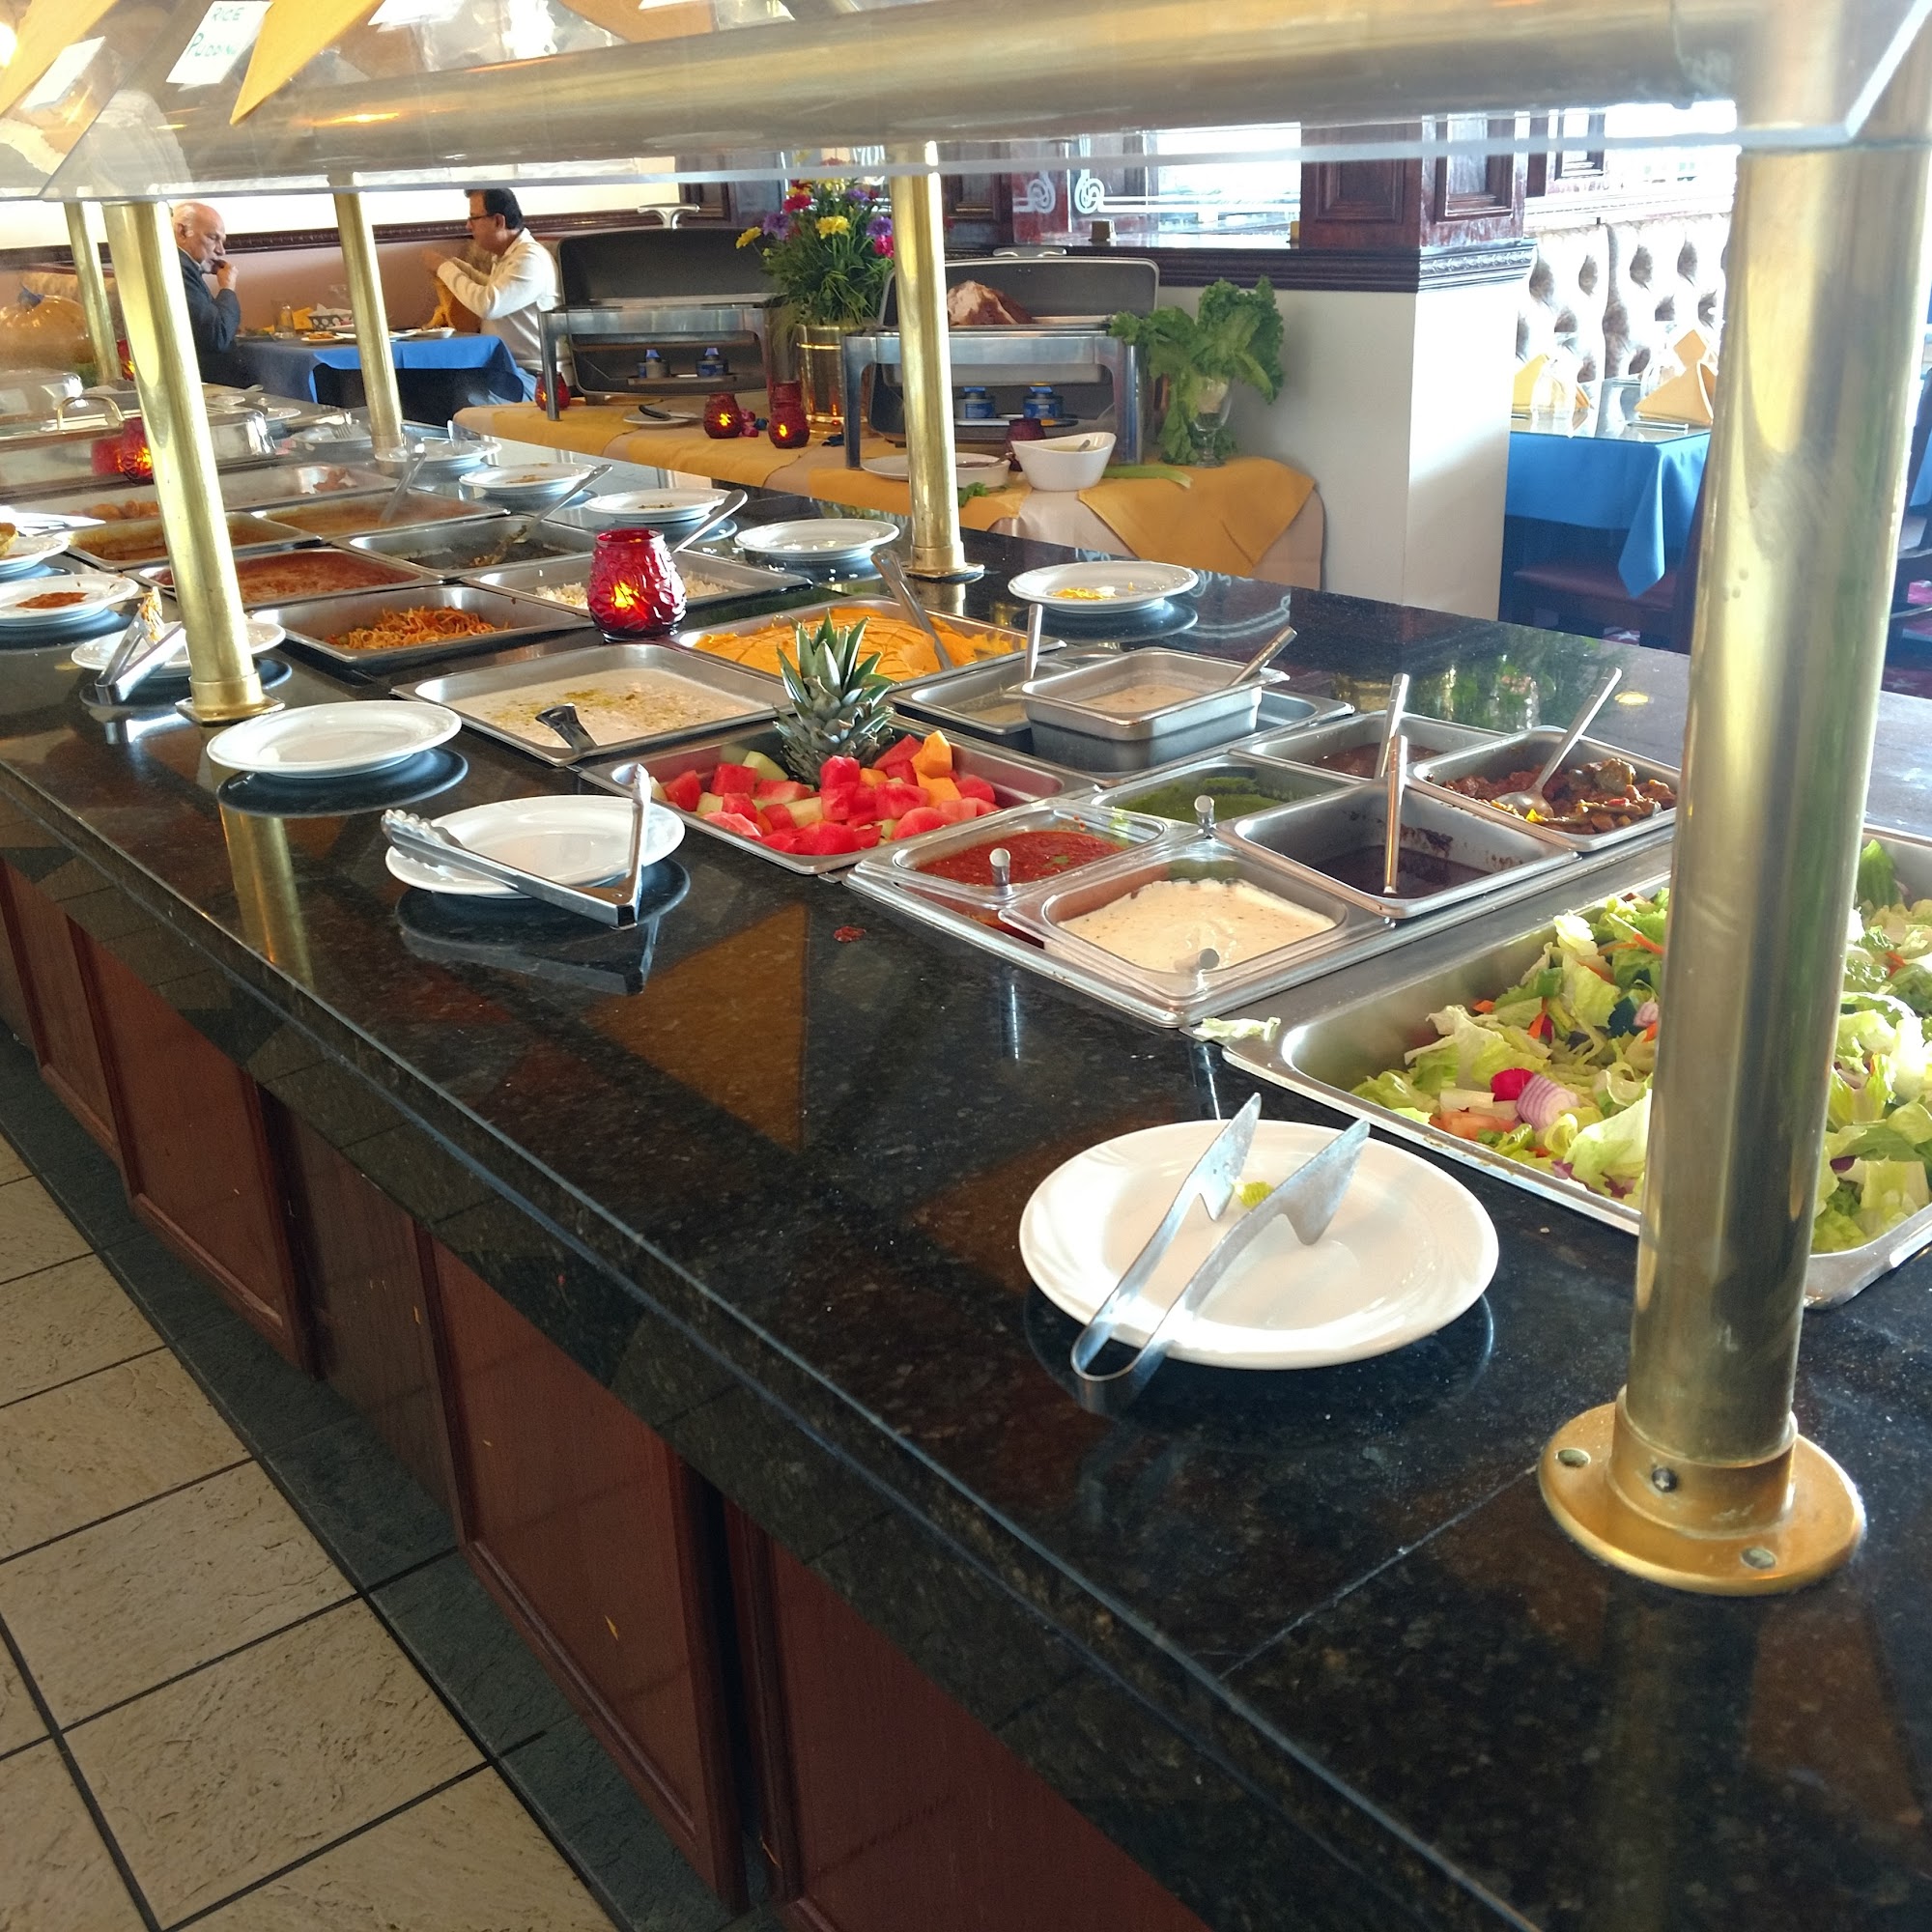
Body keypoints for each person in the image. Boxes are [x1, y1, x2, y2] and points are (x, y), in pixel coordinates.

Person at [422, 189, 557, 395]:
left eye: (474, 218)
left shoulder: (530, 259)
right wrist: (462, 269)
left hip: (535, 377)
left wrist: (444, 267)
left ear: (498, 221)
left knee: (450, 392)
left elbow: (488, 305)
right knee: (424, 383)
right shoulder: (508, 257)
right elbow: (493, 290)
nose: (468, 226)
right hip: (505, 369)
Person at [173, 202, 241, 376]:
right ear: (182, 232)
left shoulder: (184, 267)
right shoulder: (178, 269)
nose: (221, 251)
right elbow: (218, 336)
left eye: (222, 241)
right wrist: (227, 287)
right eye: (212, 238)